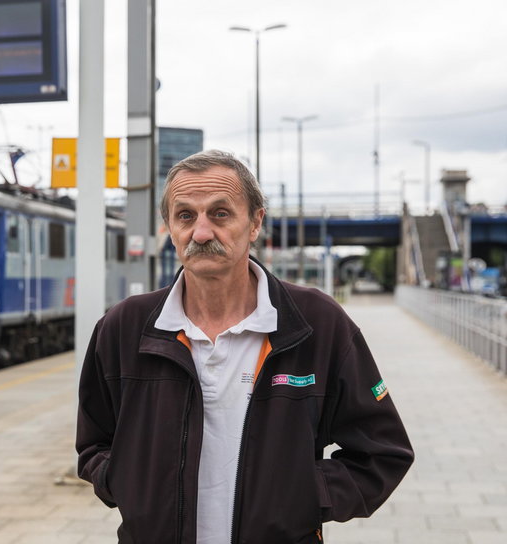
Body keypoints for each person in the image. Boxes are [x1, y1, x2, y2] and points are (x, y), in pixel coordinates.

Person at [76, 149, 414, 543]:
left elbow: (384, 451)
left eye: (220, 213)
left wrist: (302, 497)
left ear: (255, 223)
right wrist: (130, 486)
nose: (201, 233)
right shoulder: (124, 328)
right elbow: (94, 443)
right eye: (185, 215)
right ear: (168, 227)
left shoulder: (316, 324)